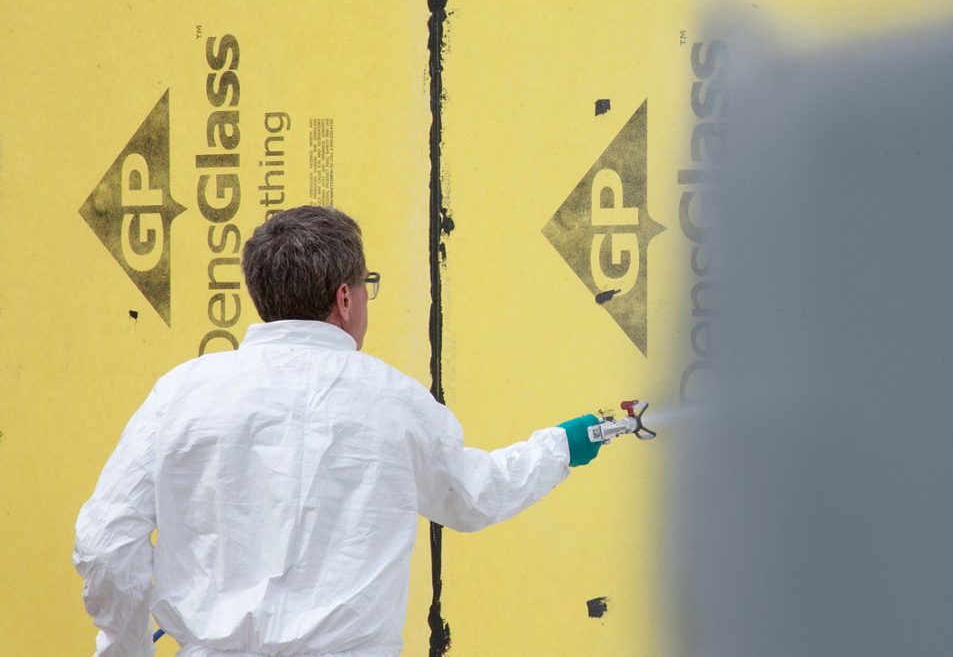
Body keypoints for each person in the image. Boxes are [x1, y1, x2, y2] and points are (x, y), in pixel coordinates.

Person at [73, 206, 603, 656]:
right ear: (344, 299)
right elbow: (474, 496)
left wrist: (127, 647)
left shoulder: (181, 394)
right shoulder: (393, 400)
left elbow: (105, 543)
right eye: (366, 287)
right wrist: (565, 445)